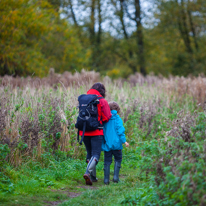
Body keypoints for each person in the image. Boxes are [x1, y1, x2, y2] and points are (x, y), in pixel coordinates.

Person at [79, 82, 112, 185]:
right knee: (96, 154)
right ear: (102, 91)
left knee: (89, 153)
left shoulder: (84, 99)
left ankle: (93, 177)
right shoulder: (102, 101)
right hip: (96, 131)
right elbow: (107, 116)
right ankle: (87, 173)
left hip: (83, 131)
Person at [101, 101, 129, 185]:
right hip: (117, 145)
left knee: (107, 161)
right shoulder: (117, 118)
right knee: (118, 159)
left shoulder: (105, 119)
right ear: (117, 110)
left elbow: (102, 131)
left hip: (107, 144)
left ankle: (106, 180)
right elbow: (120, 131)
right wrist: (124, 141)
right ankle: (116, 178)